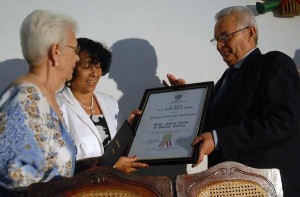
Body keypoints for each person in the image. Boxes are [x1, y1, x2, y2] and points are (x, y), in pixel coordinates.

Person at [166, 6, 300, 196]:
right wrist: (182, 101)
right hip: (227, 187)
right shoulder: (223, 82)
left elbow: (282, 123)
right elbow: (210, 128)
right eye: (217, 40)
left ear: (250, 33)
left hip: (264, 187)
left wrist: (219, 138)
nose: (219, 45)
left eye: (225, 36)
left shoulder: (273, 63)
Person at [0, 9, 79, 194]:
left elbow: (49, 167)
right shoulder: (26, 98)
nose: (77, 57)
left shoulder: (45, 95)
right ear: (56, 51)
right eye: (75, 49)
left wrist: (86, 167)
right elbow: (15, 178)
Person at [56, 38, 148, 174]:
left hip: (115, 188)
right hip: (80, 190)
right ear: (72, 67)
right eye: (86, 66)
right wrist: (112, 168)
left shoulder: (109, 102)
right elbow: (58, 162)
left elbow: (117, 150)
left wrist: (130, 128)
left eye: (98, 66)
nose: (94, 73)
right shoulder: (56, 103)